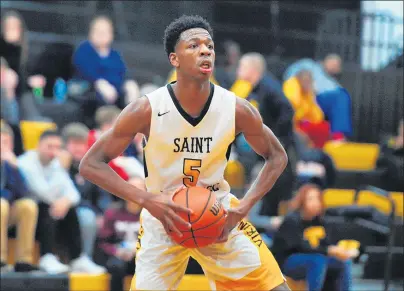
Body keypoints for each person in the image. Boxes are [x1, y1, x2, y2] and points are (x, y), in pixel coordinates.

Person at [80, 15, 290, 291]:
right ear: (174, 59)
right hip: (162, 221)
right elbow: (90, 164)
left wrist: (243, 207)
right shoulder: (146, 109)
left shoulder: (236, 109)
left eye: (209, 46)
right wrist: (147, 200)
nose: (205, 50)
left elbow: (277, 157)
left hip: (217, 215)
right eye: (193, 46)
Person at [17, 130, 106, 274]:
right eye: (49, 146)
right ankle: (46, 256)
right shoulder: (26, 162)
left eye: (57, 147)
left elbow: (74, 194)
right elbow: (44, 192)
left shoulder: (55, 164)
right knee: (48, 207)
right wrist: (63, 169)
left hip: (50, 210)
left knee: (69, 208)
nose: (54, 152)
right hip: (30, 213)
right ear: (38, 146)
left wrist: (65, 201)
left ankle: (77, 259)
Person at [271, 184, 356, 291]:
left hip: (314, 258)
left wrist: (341, 251)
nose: (315, 203)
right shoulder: (291, 220)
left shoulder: (320, 221)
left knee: (343, 261)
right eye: (311, 199)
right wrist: (329, 250)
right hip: (287, 262)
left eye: (317, 199)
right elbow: (299, 246)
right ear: (302, 201)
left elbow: (326, 244)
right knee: (317, 259)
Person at [283, 54, 352, 140]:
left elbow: (317, 115)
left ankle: (338, 135)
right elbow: (291, 73)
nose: (334, 66)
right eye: (333, 63)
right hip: (298, 104)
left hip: (316, 101)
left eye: (337, 66)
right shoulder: (308, 64)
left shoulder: (330, 81)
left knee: (342, 95)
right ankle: (338, 135)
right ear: (326, 59)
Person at [0, 122, 39, 273]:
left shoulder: (10, 164)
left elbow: (23, 192)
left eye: (8, 143)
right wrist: (7, 196)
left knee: (28, 205)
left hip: (5, 212)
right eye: (2, 142)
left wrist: (15, 168)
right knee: (1, 204)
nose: (5, 147)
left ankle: (24, 261)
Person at [60, 123, 101, 258]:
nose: (79, 148)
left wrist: (101, 212)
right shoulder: (58, 164)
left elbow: (100, 193)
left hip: (86, 207)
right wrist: (62, 169)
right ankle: (83, 258)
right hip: (66, 209)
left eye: (82, 144)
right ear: (65, 145)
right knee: (87, 217)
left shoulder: (90, 165)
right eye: (74, 143)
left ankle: (88, 258)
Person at [97, 177, 144, 291]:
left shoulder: (151, 214)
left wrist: (137, 251)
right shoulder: (113, 212)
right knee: (116, 266)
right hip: (119, 257)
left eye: (138, 188)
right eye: (130, 187)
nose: (134, 191)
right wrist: (116, 251)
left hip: (142, 256)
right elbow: (103, 241)